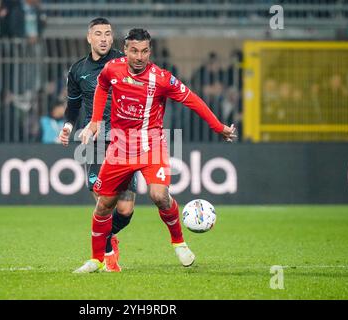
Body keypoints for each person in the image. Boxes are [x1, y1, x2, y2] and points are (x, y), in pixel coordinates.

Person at [75, 28, 236, 273]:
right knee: (104, 205)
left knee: (159, 195)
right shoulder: (112, 69)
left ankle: (179, 242)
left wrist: (218, 126)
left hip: (151, 145)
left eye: (145, 51)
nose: (140, 56)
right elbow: (102, 88)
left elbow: (192, 99)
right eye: (134, 51)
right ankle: (96, 259)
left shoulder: (162, 78)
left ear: (150, 51)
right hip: (119, 147)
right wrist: (96, 121)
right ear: (125, 50)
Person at [59, 18, 136, 272]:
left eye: (108, 34)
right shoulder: (78, 69)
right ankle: (107, 251)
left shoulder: (125, 63)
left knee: (124, 210)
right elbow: (73, 105)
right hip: (96, 140)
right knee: (104, 201)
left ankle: (105, 237)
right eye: (98, 34)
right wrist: (69, 127)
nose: (104, 38)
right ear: (89, 38)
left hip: (126, 140)